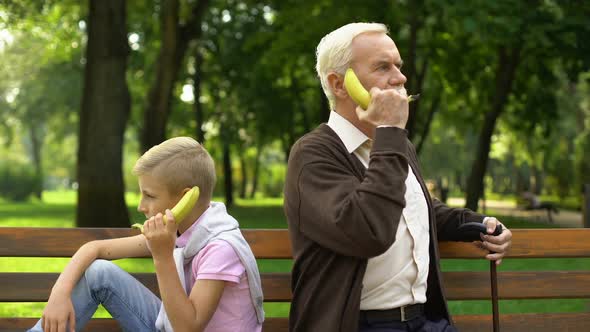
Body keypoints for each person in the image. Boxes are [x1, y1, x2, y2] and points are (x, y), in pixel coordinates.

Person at [283, 23, 513, 332]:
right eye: (382, 67)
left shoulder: (396, 145)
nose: (401, 77)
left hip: (424, 322)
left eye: (398, 66)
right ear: (340, 85)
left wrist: (478, 223)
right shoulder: (313, 154)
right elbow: (368, 231)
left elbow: (414, 208)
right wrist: (390, 131)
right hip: (358, 324)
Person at [29, 137, 264, 332]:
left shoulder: (220, 248)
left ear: (185, 198)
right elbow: (94, 249)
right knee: (99, 272)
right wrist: (59, 295)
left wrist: (162, 257)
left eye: (149, 196)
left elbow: (188, 328)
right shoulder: (178, 232)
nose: (141, 206)